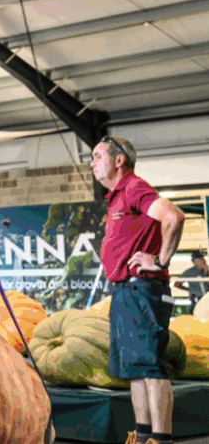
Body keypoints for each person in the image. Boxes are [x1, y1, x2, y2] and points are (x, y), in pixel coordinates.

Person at [91, 136, 186, 444]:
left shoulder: (133, 187)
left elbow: (173, 216)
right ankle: (143, 435)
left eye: (97, 156)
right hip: (126, 292)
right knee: (135, 370)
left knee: (150, 369)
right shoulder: (117, 196)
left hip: (142, 290)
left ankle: (160, 439)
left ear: (119, 161)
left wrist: (160, 261)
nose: (92, 162)